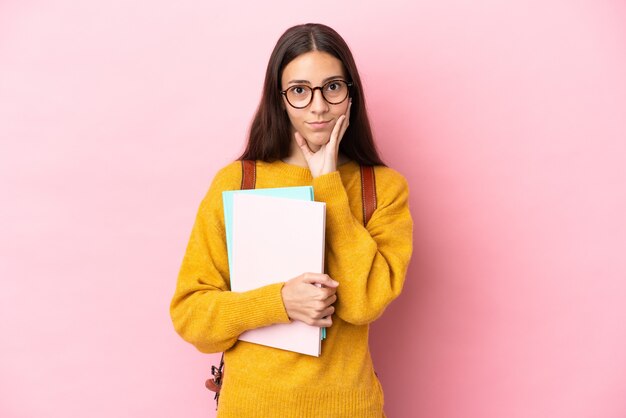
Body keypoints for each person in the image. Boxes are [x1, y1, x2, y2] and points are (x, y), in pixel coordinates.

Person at [170, 23, 413, 417]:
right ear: (279, 99)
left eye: (332, 87)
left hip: (348, 408)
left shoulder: (381, 188)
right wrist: (278, 301)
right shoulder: (238, 182)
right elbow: (192, 318)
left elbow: (364, 304)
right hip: (251, 408)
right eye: (300, 90)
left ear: (350, 93)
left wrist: (328, 183)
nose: (318, 107)